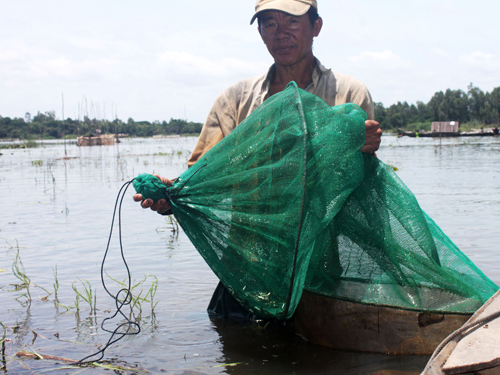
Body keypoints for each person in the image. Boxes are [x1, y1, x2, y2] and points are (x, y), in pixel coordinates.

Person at [134, 0, 382, 320]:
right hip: (246, 260)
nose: (280, 34)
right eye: (269, 24)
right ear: (261, 35)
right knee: (238, 332)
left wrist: (362, 148)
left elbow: (358, 184)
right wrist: (173, 196)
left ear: (316, 26)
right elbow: (202, 178)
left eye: (291, 22)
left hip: (317, 258)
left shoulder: (349, 93)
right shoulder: (235, 99)